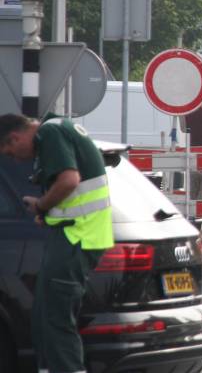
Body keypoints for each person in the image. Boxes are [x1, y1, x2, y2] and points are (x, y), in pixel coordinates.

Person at [0, 113, 113, 373]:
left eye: (10, 150)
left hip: (77, 237)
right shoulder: (57, 130)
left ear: (15, 137)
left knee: (55, 320)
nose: (15, 158)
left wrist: (42, 204)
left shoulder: (50, 134)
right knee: (45, 317)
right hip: (74, 234)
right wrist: (48, 214)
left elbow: (69, 180)